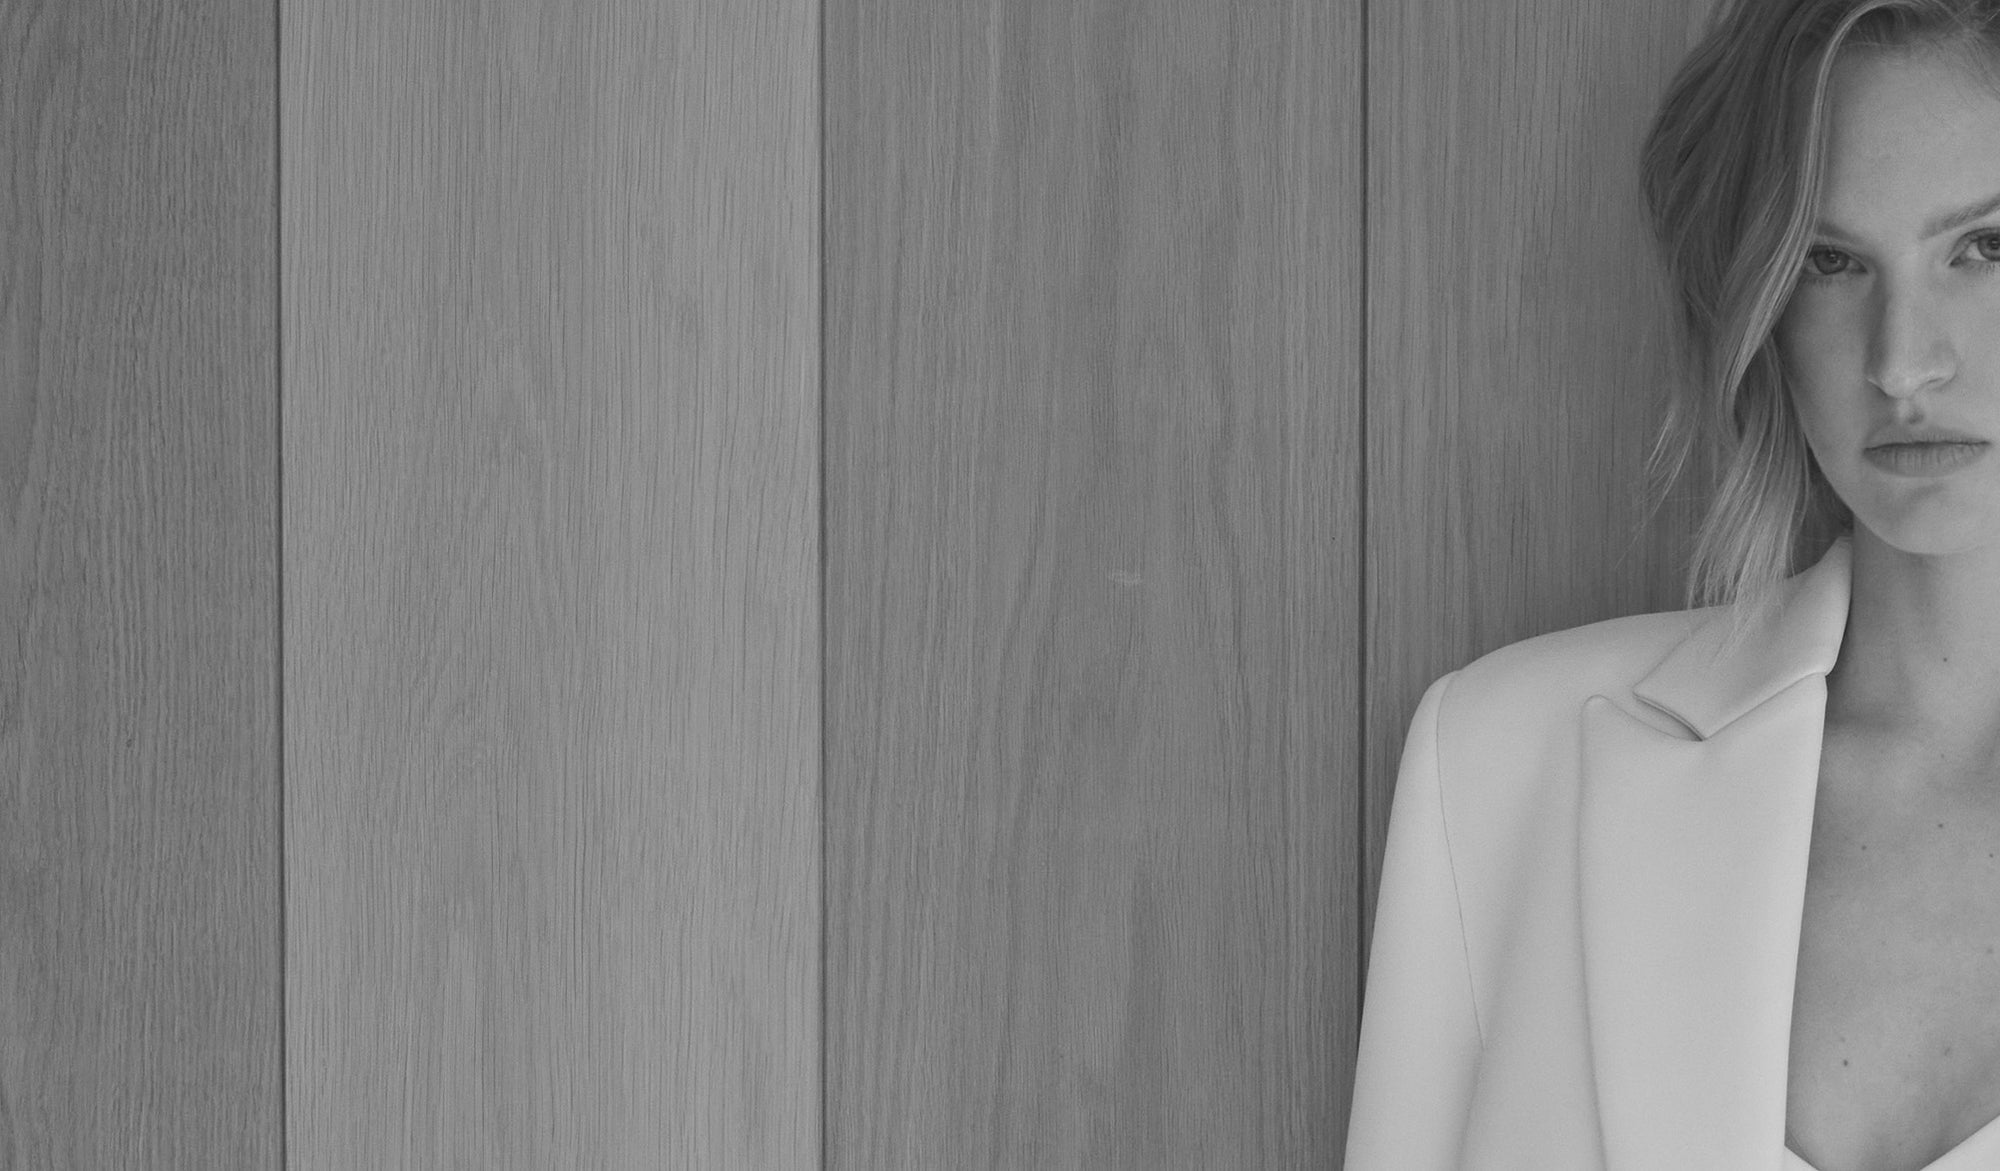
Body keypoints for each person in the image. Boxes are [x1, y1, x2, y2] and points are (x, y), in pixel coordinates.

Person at [1343, 1, 2000, 1168]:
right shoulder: (1501, 759)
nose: (1902, 361)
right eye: (1827, 262)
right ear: (1758, 307)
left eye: (1985, 248)